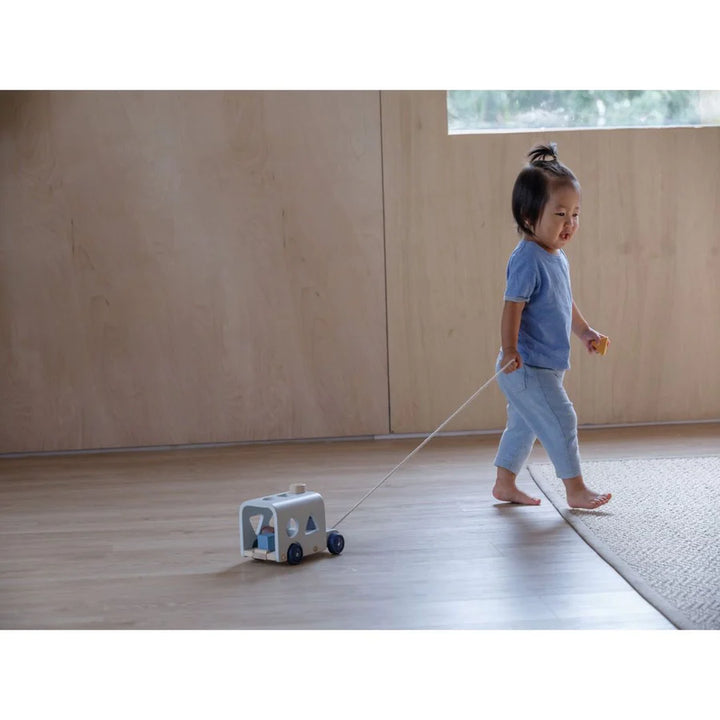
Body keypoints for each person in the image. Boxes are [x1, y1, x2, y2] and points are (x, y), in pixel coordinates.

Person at [492, 142, 612, 509]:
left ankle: (504, 484)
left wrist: (586, 331)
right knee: (562, 418)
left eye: (575, 214)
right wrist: (511, 350)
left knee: (523, 427)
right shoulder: (528, 258)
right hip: (526, 367)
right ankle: (575, 489)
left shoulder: (555, 257)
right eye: (560, 214)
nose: (570, 223)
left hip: (544, 367)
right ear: (529, 217)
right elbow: (512, 307)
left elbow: (563, 303)